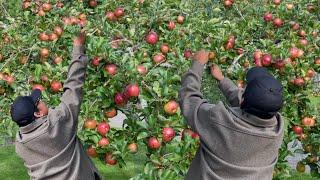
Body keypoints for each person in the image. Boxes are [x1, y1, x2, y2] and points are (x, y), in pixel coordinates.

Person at [179, 50, 284, 180]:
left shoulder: (218, 121)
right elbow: (248, 104)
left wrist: (197, 65)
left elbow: (189, 100)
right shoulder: (277, 131)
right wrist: (222, 80)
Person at [10, 31, 102, 180]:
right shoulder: (59, 122)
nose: (42, 100)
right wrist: (78, 46)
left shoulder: (20, 145)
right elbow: (73, 86)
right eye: (39, 101)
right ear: (38, 114)